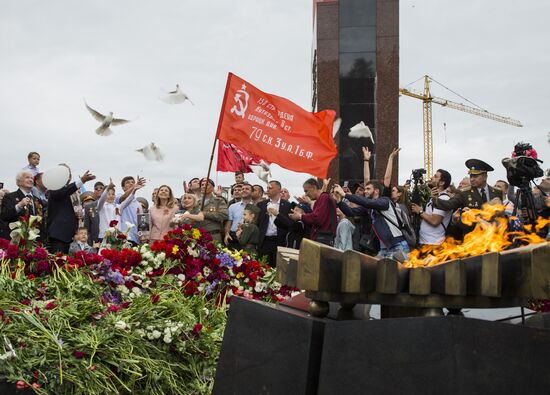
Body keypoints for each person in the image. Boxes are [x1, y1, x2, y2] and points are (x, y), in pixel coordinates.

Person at [333, 181, 409, 259]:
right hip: (384, 248)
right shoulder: (369, 207)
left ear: (376, 191)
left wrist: (345, 195)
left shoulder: (385, 201)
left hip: (398, 246)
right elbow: (351, 212)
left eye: (368, 189)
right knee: (374, 269)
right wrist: (339, 201)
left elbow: (367, 202)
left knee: (395, 271)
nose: (365, 191)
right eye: (365, 189)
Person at [432, 159, 502, 236]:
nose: (472, 179)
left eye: (475, 176)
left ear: (485, 177)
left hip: (493, 236)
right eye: (471, 176)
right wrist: (435, 199)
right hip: (472, 238)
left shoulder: (497, 192)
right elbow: (449, 204)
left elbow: (500, 214)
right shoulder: (464, 192)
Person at [48, 168, 96, 253]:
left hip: (71, 238)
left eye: (69, 173)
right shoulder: (55, 188)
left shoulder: (71, 192)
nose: (68, 175)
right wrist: (82, 180)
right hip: (59, 237)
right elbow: (63, 192)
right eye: (64, 173)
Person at [410, 169, 453, 246]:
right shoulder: (434, 197)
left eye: (435, 176)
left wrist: (420, 211)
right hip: (426, 242)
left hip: (433, 244)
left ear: (442, 182)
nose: (431, 178)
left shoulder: (443, 199)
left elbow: (435, 221)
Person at [289, 178, 337, 245]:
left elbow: (317, 218)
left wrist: (300, 216)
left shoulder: (324, 197)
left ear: (314, 188)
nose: (305, 194)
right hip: (321, 238)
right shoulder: (320, 200)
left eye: (306, 191)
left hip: (323, 239)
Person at [1, 170, 46, 241]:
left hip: (34, 241)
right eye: (27, 177)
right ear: (19, 182)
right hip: (17, 240)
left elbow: (41, 222)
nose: (31, 180)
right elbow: (4, 216)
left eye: (32, 178)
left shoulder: (37, 200)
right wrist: (19, 206)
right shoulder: (10, 197)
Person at [256, 180, 292, 266]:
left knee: (279, 268)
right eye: (267, 188)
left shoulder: (287, 205)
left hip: (280, 242)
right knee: (263, 267)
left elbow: (289, 224)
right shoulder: (261, 205)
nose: (267, 190)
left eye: (270, 188)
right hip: (265, 242)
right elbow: (258, 223)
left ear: (279, 189)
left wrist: (277, 214)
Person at [117, 175, 146, 246]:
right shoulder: (118, 196)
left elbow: (142, 223)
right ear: (123, 188)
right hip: (123, 237)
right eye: (128, 182)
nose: (131, 184)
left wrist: (143, 236)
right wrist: (134, 188)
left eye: (133, 182)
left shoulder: (139, 204)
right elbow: (123, 198)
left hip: (136, 239)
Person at [225, 183, 253, 248]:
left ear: (252, 192)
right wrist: (227, 234)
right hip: (233, 238)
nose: (244, 190)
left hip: (249, 238)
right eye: (242, 189)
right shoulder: (232, 206)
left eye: (247, 189)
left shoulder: (256, 207)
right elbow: (229, 223)